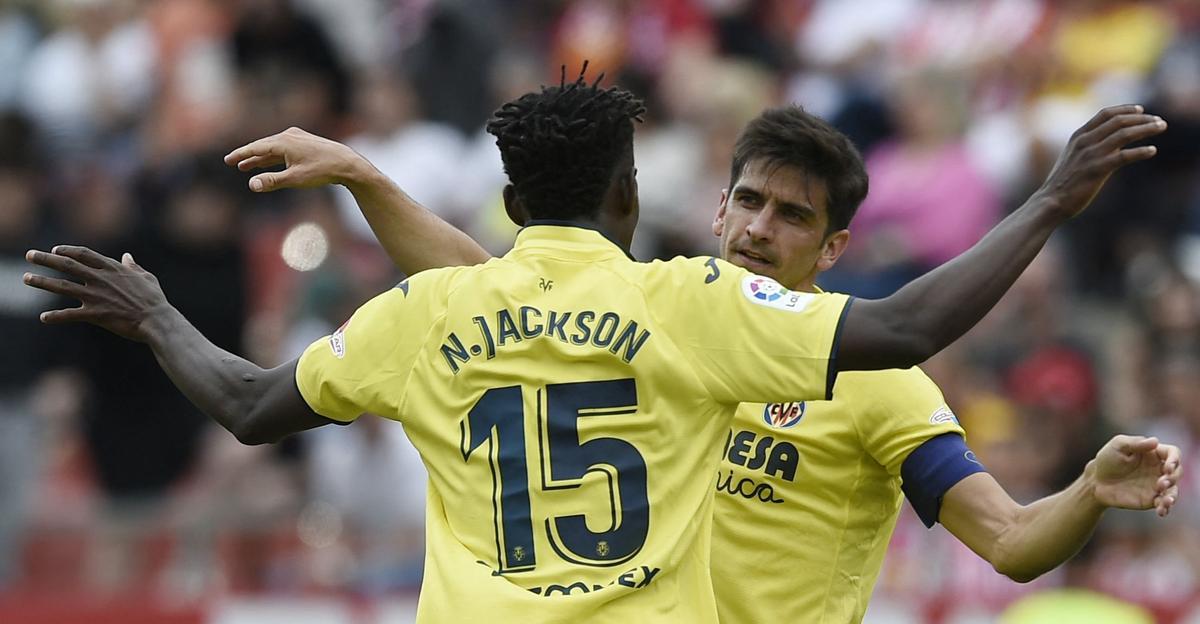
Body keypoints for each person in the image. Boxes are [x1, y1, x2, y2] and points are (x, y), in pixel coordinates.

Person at [26, 74, 1173, 622]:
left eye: (791, 216)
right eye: (749, 204)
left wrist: (158, 314)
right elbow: (913, 318)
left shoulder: (861, 386)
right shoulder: (680, 309)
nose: (761, 229)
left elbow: (1012, 540)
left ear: (834, 245)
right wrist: (1054, 200)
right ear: (683, 204)